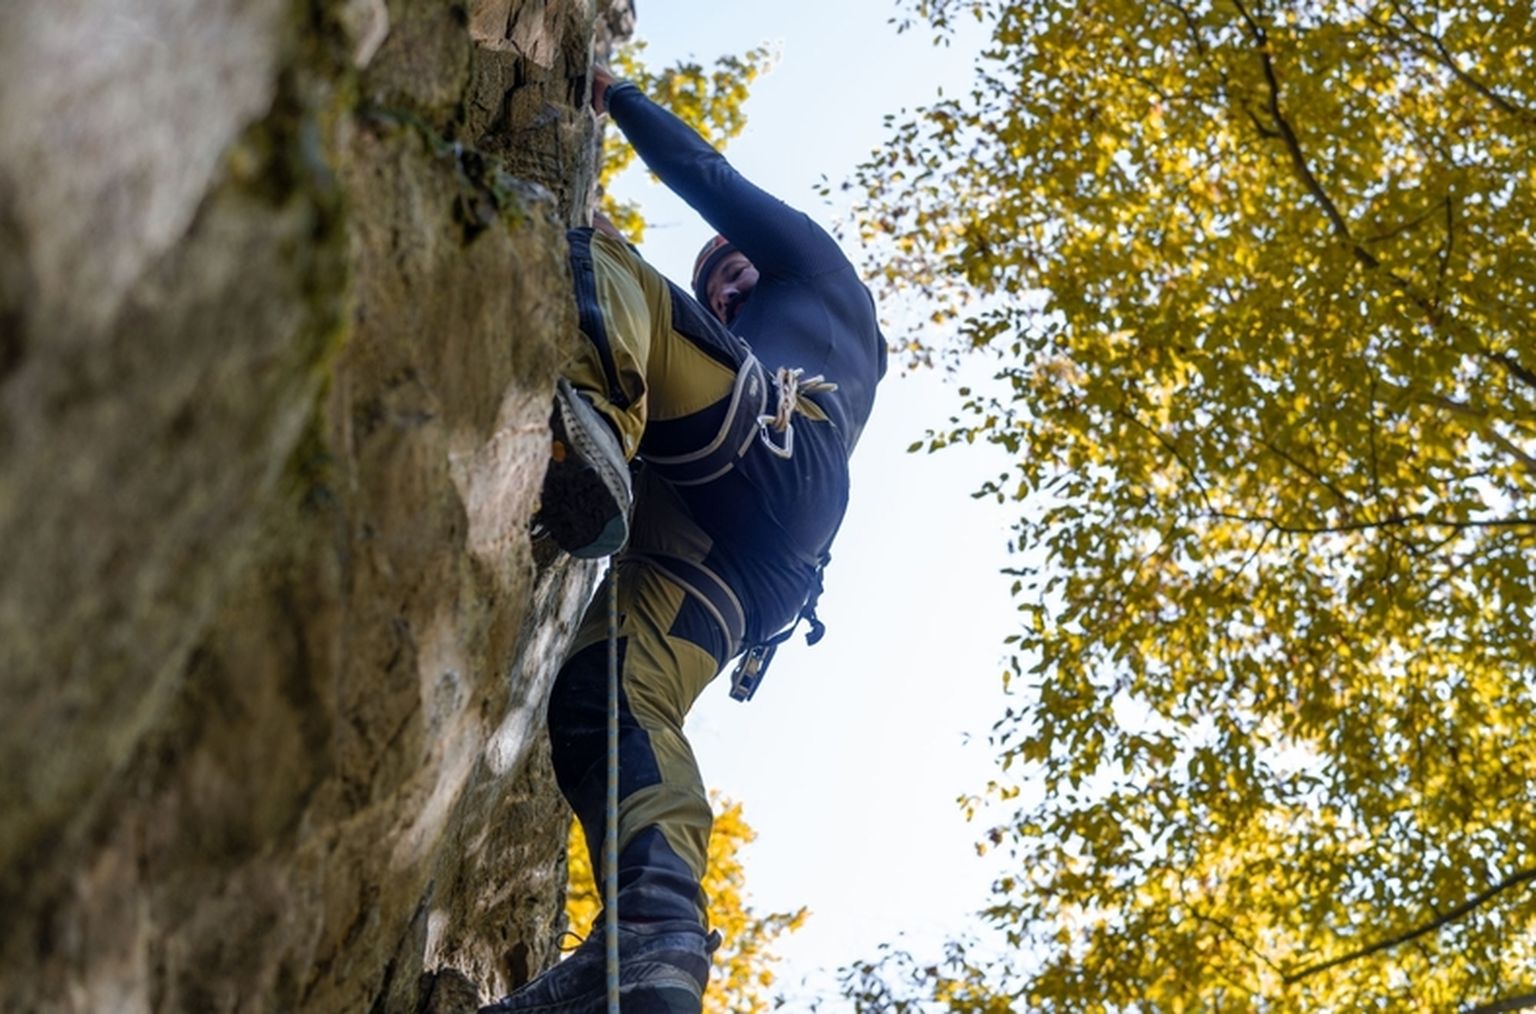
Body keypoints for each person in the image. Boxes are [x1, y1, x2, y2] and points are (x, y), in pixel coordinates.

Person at [482, 64, 886, 1014]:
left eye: (733, 270)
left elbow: (709, 178)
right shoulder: (752, 332)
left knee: (603, 263)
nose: (725, 290)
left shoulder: (823, 281)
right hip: (739, 565)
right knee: (604, 693)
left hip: (780, 455)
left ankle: (595, 427)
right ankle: (655, 935)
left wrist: (616, 97)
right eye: (713, 288)